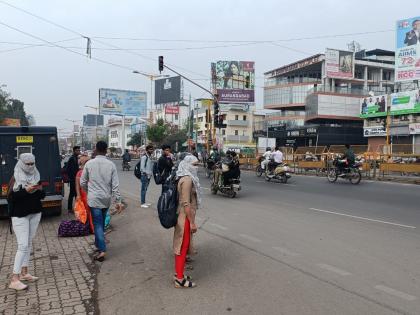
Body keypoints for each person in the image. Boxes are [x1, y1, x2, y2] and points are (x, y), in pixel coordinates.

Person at [80, 141, 123, 262]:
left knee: (98, 224)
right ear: (106, 150)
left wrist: (89, 191)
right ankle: (99, 245)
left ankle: (102, 249)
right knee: (101, 223)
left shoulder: (89, 164)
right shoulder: (111, 165)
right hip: (106, 199)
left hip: (94, 199)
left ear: (95, 149)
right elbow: (115, 185)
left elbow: (82, 182)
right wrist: (118, 201)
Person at [9, 153, 45, 290]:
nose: (30, 166)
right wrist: (26, 190)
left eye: (32, 163)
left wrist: (38, 189)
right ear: (21, 163)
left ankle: (24, 273)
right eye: (27, 164)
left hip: (35, 213)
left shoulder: (36, 175)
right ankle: (14, 279)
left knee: (29, 243)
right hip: (20, 215)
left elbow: (42, 195)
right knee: (22, 245)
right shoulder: (15, 177)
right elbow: (12, 197)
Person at [173, 154, 201, 288]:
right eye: (194, 165)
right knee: (182, 247)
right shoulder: (188, 180)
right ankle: (179, 279)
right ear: (187, 164)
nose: (196, 167)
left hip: (184, 217)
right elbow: (186, 203)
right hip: (185, 218)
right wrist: (192, 222)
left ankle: (179, 273)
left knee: (183, 247)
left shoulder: (184, 177)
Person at [75, 155, 94, 233]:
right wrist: (78, 195)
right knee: (86, 211)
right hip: (84, 195)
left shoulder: (91, 171)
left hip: (91, 194)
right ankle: (88, 228)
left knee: (91, 211)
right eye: (87, 162)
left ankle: (91, 228)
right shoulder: (80, 172)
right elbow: (77, 186)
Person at [66, 146, 81, 211]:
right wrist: (73, 178)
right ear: (74, 151)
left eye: (79, 150)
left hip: (75, 179)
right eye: (77, 150)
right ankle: (70, 208)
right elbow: (70, 170)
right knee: (72, 194)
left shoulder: (75, 158)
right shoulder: (72, 158)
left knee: (75, 194)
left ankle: (76, 207)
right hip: (73, 179)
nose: (78, 151)